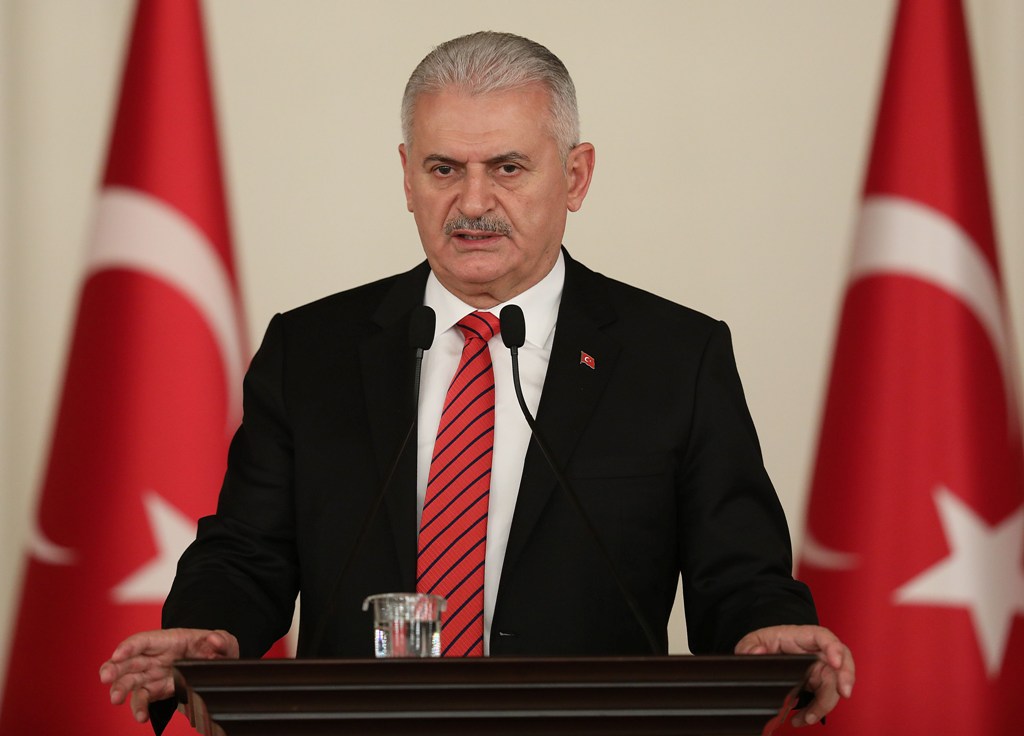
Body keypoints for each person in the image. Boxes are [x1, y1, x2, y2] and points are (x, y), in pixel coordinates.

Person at [100, 31, 854, 730]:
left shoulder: (674, 356)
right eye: (443, 169)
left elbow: (738, 566)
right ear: (406, 177)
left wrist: (765, 630)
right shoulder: (313, 349)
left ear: (576, 176)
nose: (472, 203)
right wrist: (206, 627)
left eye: (508, 168)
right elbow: (248, 552)